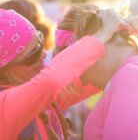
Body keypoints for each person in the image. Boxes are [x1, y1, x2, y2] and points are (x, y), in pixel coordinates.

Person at [0, 8, 128, 140]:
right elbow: (51, 82)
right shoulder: (4, 106)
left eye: (39, 42)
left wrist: (122, 38)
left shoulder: (37, 96)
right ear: (5, 69)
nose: (43, 55)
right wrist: (99, 37)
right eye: (33, 55)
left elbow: (87, 82)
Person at [53, 3, 138, 140]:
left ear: (95, 46)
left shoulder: (131, 76)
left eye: (77, 68)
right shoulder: (135, 71)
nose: (82, 81)